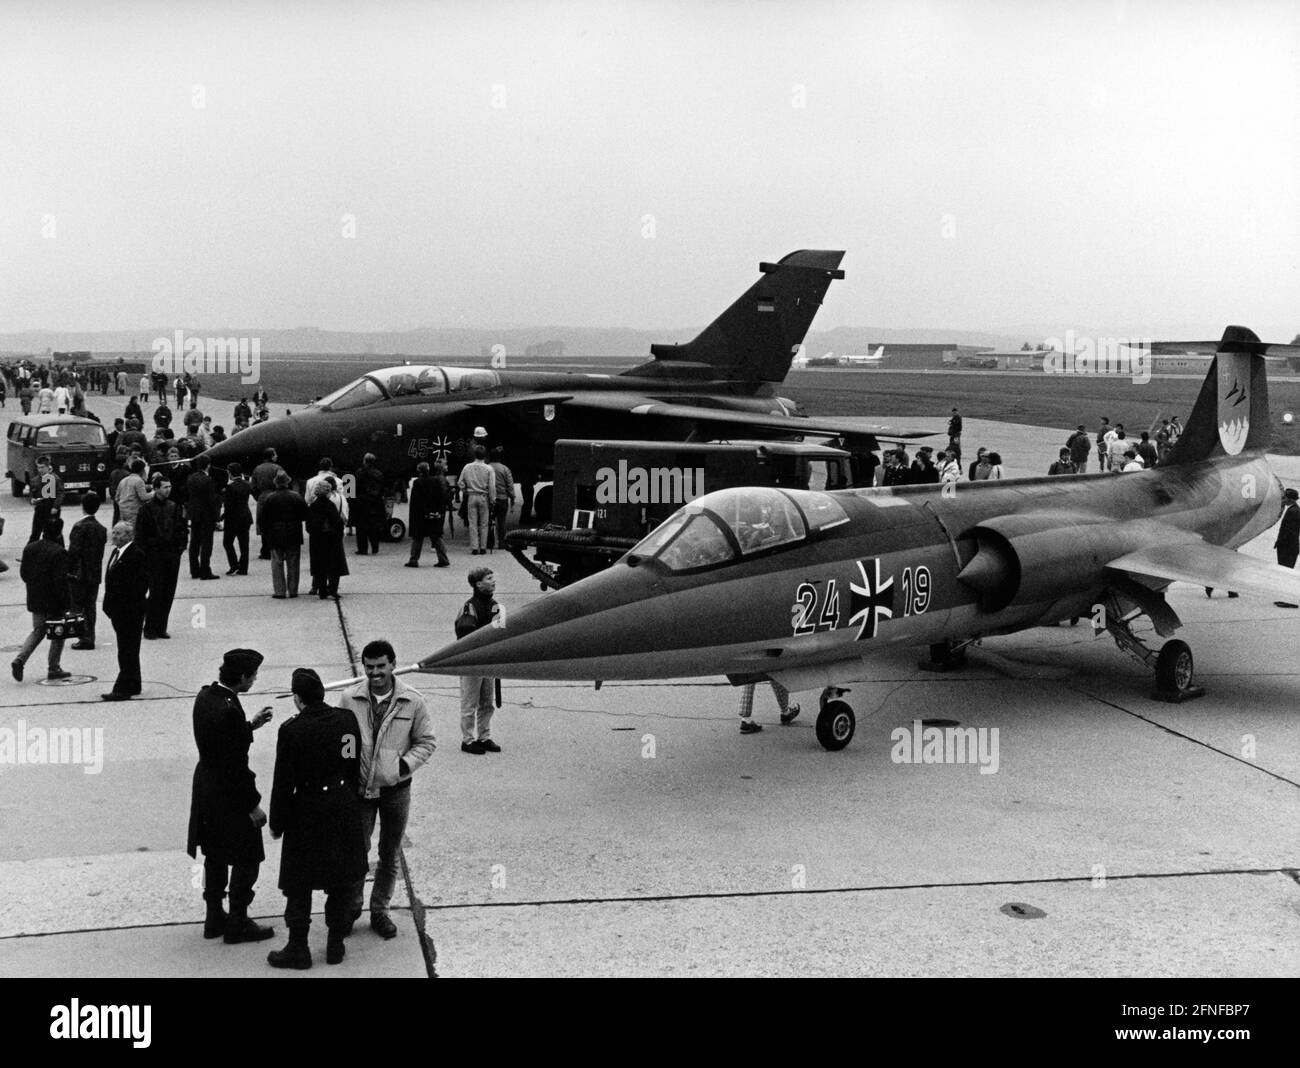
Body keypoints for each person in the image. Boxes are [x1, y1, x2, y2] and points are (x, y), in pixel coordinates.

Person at [266, 668, 368, 969]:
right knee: (340, 879)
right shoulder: (346, 720)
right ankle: (335, 944)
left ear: (298, 699)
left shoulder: (291, 730)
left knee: (299, 882)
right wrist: (346, 793)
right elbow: (352, 759)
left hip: (307, 810)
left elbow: (283, 781)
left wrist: (277, 822)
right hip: (342, 806)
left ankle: (298, 947)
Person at [342, 640, 436, 939]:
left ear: (393, 664)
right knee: (357, 852)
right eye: (369, 667)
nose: (375, 673)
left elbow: (427, 742)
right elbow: (343, 740)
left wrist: (402, 768)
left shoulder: (413, 701)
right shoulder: (349, 698)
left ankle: (379, 910)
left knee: (389, 853)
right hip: (361, 790)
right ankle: (351, 908)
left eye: (381, 666)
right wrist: (349, 770)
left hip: (396, 790)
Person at [186, 648, 276, 945]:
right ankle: (238, 920)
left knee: (215, 854)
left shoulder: (207, 696)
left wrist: (250, 725)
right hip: (229, 794)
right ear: (241, 677)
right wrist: (253, 806)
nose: (255, 680)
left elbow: (222, 740)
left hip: (207, 789)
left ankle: (214, 916)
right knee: (248, 858)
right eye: (253, 675)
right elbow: (235, 765)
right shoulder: (227, 708)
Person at [12, 517, 71, 683]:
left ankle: (20, 659)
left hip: (35, 597)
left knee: (38, 631)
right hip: (54, 601)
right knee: (58, 633)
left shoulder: (30, 548)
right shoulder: (59, 552)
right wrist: (66, 602)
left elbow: (24, 574)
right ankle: (54, 667)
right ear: (59, 532)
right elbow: (61, 581)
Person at [454, 567, 501, 754]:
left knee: (487, 703)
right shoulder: (469, 607)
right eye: (489, 578)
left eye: (493, 577)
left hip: (488, 662)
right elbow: (466, 635)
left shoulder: (497, 606)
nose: (493, 581)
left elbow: (501, 632)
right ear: (478, 584)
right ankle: (467, 740)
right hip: (471, 663)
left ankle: (484, 737)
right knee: (469, 704)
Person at [136, 474, 187, 640]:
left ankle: (161, 626)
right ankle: (150, 627)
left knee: (168, 591)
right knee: (156, 591)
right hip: (154, 555)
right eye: (165, 487)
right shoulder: (146, 509)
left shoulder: (174, 506)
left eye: (169, 487)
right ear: (156, 488)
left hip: (171, 554)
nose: (168, 490)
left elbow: (182, 528)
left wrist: (180, 547)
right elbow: (140, 535)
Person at [100, 522, 147, 700]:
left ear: (129, 535)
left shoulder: (135, 555)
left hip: (130, 611)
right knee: (127, 648)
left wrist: (126, 605)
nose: (115, 536)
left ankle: (123, 687)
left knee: (127, 650)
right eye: (114, 532)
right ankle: (134, 683)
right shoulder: (117, 552)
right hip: (118, 610)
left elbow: (139, 585)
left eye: (119, 533)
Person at [67, 492, 106, 650]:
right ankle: (90, 635)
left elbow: (74, 552)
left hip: (79, 573)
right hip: (94, 572)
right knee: (90, 606)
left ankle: (83, 637)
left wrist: (68, 570)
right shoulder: (101, 529)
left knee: (77, 605)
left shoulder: (79, 527)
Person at [261, 472, 308, 599]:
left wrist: (267, 533)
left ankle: (280, 591)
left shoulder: (270, 498)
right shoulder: (296, 496)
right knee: (293, 562)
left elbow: (263, 519)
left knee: (277, 563)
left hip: (275, 534)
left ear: (275, 483)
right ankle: (293, 590)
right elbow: (305, 515)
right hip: (294, 533)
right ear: (288, 482)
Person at [307, 480, 349, 599]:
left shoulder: (313, 506)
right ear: (328, 492)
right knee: (334, 565)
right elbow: (337, 522)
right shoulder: (330, 505)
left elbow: (309, 525)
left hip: (317, 539)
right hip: (332, 539)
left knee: (320, 566)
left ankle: (322, 591)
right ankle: (333, 589)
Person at [406, 461, 451, 567]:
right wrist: (438, 511)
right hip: (433, 513)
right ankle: (443, 558)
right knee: (436, 536)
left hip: (421, 514)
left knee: (418, 537)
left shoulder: (417, 483)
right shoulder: (435, 481)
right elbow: (440, 497)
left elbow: (415, 502)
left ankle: (414, 559)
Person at [186, 454, 221, 580]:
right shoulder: (208, 480)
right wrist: (217, 516)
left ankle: (194, 570)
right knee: (206, 543)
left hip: (195, 514)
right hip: (206, 515)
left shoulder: (191, 478)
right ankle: (205, 570)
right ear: (208, 465)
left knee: (194, 542)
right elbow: (211, 500)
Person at [458, 445, 496, 555]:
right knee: (484, 523)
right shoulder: (489, 468)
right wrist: (493, 499)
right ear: (485, 456)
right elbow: (492, 486)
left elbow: (460, 482)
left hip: (471, 495)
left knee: (472, 523)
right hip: (483, 496)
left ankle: (474, 547)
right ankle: (483, 547)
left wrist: (465, 490)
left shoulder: (467, 467)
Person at [251, 448, 286, 560]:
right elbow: (285, 482)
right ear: (271, 456)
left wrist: (259, 497)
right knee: (277, 523)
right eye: (275, 455)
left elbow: (253, 487)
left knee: (263, 524)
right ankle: (278, 550)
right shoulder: (278, 468)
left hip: (262, 497)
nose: (277, 456)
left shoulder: (257, 469)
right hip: (276, 496)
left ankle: (265, 551)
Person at [222, 462, 253, 575]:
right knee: (244, 544)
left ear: (230, 473)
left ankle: (234, 564)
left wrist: (223, 516)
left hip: (233, 518)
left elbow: (229, 505)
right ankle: (244, 567)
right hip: (245, 516)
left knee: (227, 542)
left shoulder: (230, 487)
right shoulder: (247, 484)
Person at [354, 453, 385, 555]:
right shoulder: (379, 473)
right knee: (374, 526)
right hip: (375, 503)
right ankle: (375, 548)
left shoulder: (360, 473)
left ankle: (362, 549)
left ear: (364, 461)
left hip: (362, 503)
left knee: (361, 527)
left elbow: (356, 488)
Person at [28, 456, 63, 544]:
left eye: (42, 467)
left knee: (54, 533)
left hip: (51, 510)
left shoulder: (55, 479)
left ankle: (61, 554)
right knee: (35, 534)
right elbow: (32, 493)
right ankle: (28, 555)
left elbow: (60, 493)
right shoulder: (35, 480)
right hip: (40, 510)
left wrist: (56, 507)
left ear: (48, 467)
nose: (40, 470)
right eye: (38, 467)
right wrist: (32, 500)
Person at [487, 447, 515, 550]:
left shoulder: (487, 467)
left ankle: (489, 543)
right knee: (501, 522)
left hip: (490, 498)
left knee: (489, 521)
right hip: (503, 499)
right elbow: (510, 485)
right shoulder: (505, 469)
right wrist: (512, 497)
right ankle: (502, 543)